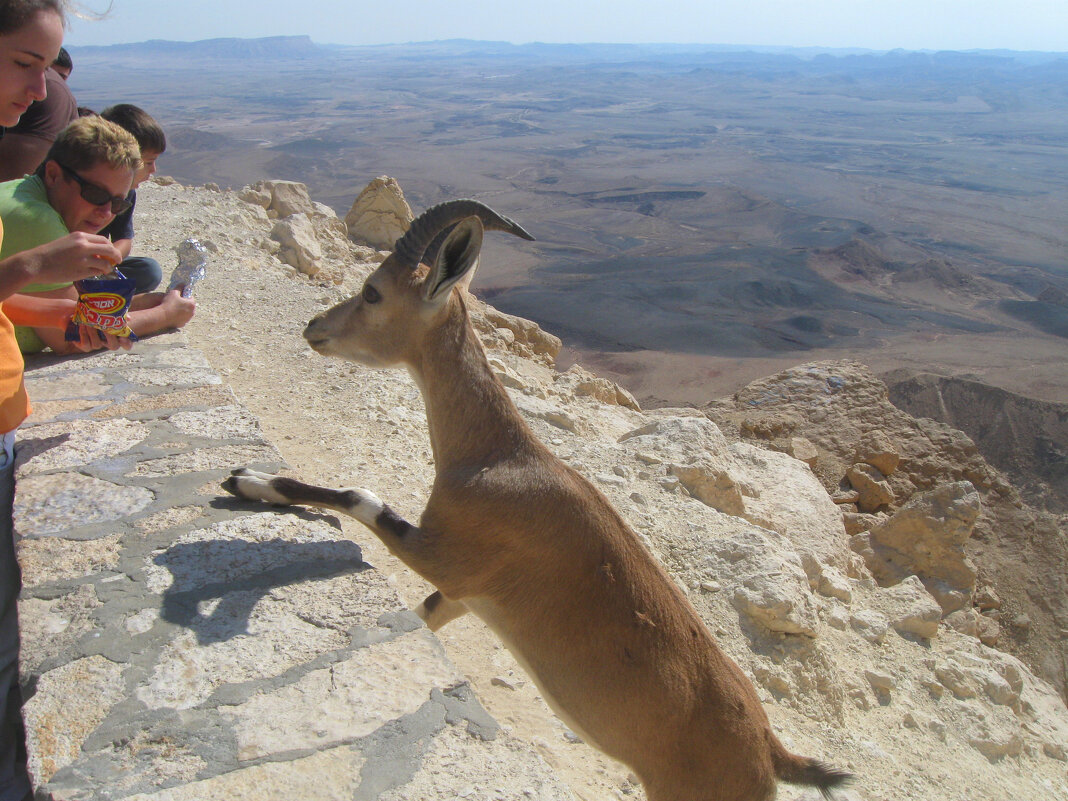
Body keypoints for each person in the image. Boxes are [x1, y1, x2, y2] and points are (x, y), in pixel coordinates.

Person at [0, 7, 133, 800]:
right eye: (24, 62)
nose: (39, 89)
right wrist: (34, 265)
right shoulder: (30, 218)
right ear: (57, 177)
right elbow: (72, 328)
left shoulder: (23, 196)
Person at [0, 114, 195, 354]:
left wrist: (144, 303)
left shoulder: (20, 192)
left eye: (117, 204)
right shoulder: (37, 219)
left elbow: (73, 310)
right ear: (53, 174)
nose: (105, 213)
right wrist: (166, 315)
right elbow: (72, 337)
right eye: (95, 195)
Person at [98, 103, 165, 293]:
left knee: (148, 270)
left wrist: (109, 258)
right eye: (148, 162)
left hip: (99, 263)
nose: (153, 171)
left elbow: (124, 240)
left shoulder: (128, 193)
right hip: (70, 263)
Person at [0, 41, 75, 182]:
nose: (42, 92)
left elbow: (10, 181)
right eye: (24, 63)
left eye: (46, 68)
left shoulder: (53, 92)